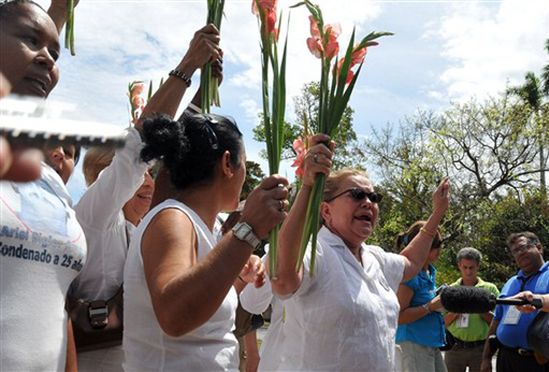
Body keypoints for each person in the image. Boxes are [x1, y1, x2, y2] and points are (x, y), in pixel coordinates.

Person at [122, 112, 288, 371]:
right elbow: (174, 314)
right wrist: (249, 230)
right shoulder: (173, 218)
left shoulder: (203, 227)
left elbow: (202, 307)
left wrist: (237, 276)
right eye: (243, 163)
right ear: (227, 164)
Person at [271, 134, 450, 371]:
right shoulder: (316, 253)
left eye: (374, 197)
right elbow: (283, 279)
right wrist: (308, 186)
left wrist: (436, 213)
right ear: (325, 211)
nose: (368, 202)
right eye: (357, 195)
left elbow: (411, 262)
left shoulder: (375, 258)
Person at [0, 0, 85, 370]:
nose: (49, 59)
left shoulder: (50, 182)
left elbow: (56, 305)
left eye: (55, 51)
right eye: (31, 40)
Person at [481, 232, 549, 372]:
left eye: (523, 248)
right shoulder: (510, 282)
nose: (520, 253)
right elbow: (496, 320)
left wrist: (538, 299)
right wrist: (486, 358)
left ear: (539, 247)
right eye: (515, 251)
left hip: (539, 361)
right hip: (506, 359)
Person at [395, 221, 447, 372]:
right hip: (413, 343)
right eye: (434, 243)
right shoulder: (410, 275)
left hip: (431, 343)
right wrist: (430, 306)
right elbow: (398, 316)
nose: (439, 248)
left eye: (440, 243)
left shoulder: (429, 272)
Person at [444, 247, 500, 372]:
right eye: (465, 267)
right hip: (455, 348)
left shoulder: (490, 289)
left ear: (478, 266)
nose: (468, 272)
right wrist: (456, 311)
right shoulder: (451, 290)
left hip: (480, 348)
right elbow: (442, 323)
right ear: (459, 266)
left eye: (471, 267)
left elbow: (497, 321)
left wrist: (481, 310)